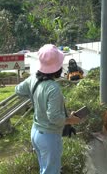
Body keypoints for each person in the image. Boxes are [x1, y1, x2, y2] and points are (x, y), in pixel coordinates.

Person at [15, 44, 81, 174]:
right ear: (58, 67)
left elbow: (17, 90)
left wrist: (35, 98)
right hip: (48, 136)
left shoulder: (33, 78)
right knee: (51, 171)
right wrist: (71, 120)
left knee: (44, 170)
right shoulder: (53, 88)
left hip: (36, 132)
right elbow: (54, 118)